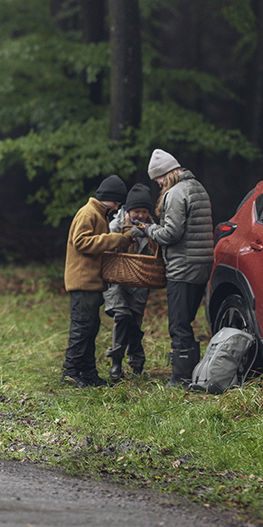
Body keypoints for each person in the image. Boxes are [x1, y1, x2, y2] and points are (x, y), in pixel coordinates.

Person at [143, 148, 213, 386]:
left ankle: (181, 378)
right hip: (202, 264)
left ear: (167, 173)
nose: (158, 183)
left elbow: (171, 233)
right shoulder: (198, 188)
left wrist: (148, 230)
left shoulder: (176, 193)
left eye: (158, 179)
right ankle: (191, 374)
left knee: (178, 324)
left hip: (183, 267)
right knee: (186, 321)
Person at [61, 176, 128, 387]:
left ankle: (88, 372)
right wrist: (114, 239)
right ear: (108, 198)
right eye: (116, 202)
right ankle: (70, 372)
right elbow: (81, 242)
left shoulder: (99, 215)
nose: (117, 207)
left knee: (91, 329)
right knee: (81, 329)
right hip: (82, 282)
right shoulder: (88, 213)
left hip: (92, 283)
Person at [101, 184, 161, 383]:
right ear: (128, 210)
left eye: (144, 211)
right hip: (116, 280)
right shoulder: (115, 225)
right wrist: (126, 237)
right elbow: (107, 248)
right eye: (137, 211)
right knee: (122, 316)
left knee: (134, 321)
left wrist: (148, 235)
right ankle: (116, 363)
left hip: (140, 281)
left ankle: (136, 361)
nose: (141, 215)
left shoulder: (152, 228)